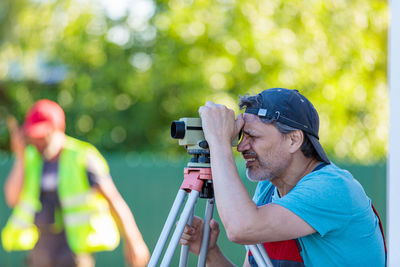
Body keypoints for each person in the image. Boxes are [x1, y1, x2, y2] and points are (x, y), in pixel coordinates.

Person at [179, 88, 386, 266]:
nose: (241, 147)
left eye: (253, 136)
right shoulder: (269, 189)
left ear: (294, 140)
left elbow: (241, 228)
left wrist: (218, 141)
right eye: (241, 136)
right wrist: (210, 252)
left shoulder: (332, 188)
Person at [2, 99, 150, 267]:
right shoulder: (30, 158)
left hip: (74, 255)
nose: (38, 141)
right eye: (34, 136)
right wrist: (20, 157)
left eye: (43, 135)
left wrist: (134, 241)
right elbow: (12, 198)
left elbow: (114, 199)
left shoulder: (83, 156)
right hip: (40, 253)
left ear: (59, 129)